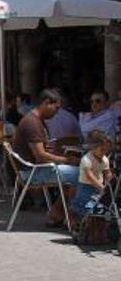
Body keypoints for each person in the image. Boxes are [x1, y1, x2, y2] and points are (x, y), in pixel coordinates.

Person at [11, 89, 80, 226]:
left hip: (35, 168)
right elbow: (41, 155)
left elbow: (43, 152)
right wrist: (67, 160)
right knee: (82, 175)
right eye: (56, 107)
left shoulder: (37, 121)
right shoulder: (32, 123)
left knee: (73, 174)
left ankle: (56, 213)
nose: (57, 112)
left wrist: (62, 159)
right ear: (47, 103)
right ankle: (72, 219)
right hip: (32, 172)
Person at [70, 130, 113, 218]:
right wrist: (101, 186)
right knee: (88, 208)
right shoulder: (87, 159)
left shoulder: (105, 159)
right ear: (93, 147)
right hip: (86, 188)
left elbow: (107, 173)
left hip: (98, 189)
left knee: (105, 208)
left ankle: (103, 222)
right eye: (102, 150)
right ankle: (77, 218)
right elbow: (90, 176)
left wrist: (110, 183)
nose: (104, 153)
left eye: (106, 150)